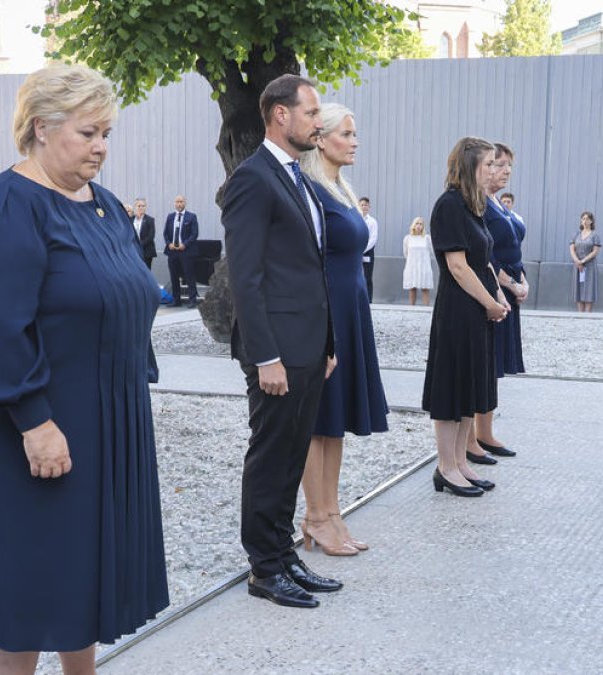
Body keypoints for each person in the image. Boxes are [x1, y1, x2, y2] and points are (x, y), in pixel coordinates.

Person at [0, 64, 168, 674]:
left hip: (99, 413)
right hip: (32, 421)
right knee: (28, 570)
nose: (101, 147)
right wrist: (34, 421)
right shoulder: (4, 206)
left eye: (107, 134)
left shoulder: (104, 204)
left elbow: (126, 291)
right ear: (41, 127)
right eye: (89, 133)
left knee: (80, 564)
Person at [222, 73, 341, 609]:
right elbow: (245, 277)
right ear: (280, 115)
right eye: (313, 113)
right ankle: (263, 569)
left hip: (308, 346)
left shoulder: (295, 176)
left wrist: (328, 344)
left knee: (293, 455)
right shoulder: (253, 179)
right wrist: (266, 355)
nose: (320, 122)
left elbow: (310, 268)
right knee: (271, 457)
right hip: (276, 352)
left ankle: (284, 552)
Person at [298, 103, 389, 556]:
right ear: (321, 138)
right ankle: (314, 517)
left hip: (351, 308)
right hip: (327, 310)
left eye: (355, 134)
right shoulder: (311, 188)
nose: (355, 141)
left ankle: (331, 513)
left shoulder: (338, 188)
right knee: (317, 422)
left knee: (334, 422)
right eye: (347, 134)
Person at [422, 136, 509, 497]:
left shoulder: (473, 206)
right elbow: (457, 266)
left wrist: (498, 294)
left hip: (477, 309)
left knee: (469, 389)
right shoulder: (449, 205)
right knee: (451, 388)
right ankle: (445, 467)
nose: (492, 169)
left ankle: (460, 462)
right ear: (469, 165)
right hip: (458, 310)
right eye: (487, 163)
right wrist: (489, 301)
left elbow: (482, 260)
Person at [468, 142, 525, 465]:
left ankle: (485, 432)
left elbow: (513, 245)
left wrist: (523, 279)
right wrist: (510, 285)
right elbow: (486, 255)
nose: (504, 171)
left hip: (510, 287)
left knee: (494, 365)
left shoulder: (498, 204)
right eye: (498, 164)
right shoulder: (479, 204)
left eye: (508, 166)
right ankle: (478, 434)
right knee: (485, 364)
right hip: (493, 289)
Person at [163, 195, 199, 307]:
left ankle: (192, 299)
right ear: (175, 203)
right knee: (174, 276)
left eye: (181, 202)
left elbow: (194, 234)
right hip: (173, 251)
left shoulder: (191, 217)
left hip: (186, 252)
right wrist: (169, 243)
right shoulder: (170, 217)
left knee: (189, 276)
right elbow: (165, 233)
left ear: (185, 203)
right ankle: (176, 300)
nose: (179, 204)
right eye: (177, 202)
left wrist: (185, 244)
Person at [569, 211, 601, 313]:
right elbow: (572, 249)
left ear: (591, 221)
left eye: (587, 219)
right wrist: (577, 261)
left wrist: (583, 260)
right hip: (578, 266)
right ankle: (579, 314)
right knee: (578, 289)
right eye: (583, 218)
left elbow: (595, 252)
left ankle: (588, 315)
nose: (585, 221)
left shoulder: (594, 235)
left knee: (588, 289)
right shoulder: (576, 234)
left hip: (589, 266)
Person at [402, 217, 434, 305]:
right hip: (412, 267)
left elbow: (431, 252)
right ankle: (411, 309)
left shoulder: (427, 238)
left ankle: (426, 310)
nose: (419, 226)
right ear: (413, 225)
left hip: (424, 266)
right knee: (412, 288)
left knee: (425, 288)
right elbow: (406, 253)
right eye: (417, 224)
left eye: (421, 224)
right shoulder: (408, 238)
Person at [359, 196, 378, 302]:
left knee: (367, 277)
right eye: (362, 205)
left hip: (367, 252)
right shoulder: (356, 218)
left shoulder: (373, 222)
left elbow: (373, 239)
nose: (364, 207)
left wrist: (362, 250)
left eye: (366, 205)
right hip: (355, 252)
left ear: (369, 207)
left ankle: (368, 300)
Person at [133, 198, 157, 269]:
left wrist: (139, 245)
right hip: (133, 251)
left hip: (146, 252)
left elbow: (151, 236)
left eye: (143, 206)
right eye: (139, 206)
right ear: (135, 207)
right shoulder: (131, 219)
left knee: (146, 272)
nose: (141, 207)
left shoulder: (150, 220)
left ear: (145, 207)